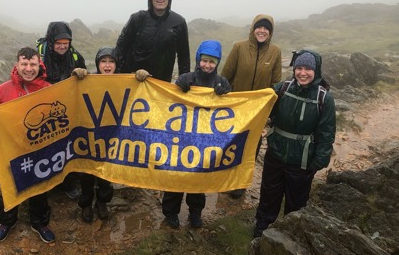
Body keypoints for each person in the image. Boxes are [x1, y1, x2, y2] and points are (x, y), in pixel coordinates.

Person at [0, 47, 56, 243]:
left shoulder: (49, 89)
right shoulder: (3, 90)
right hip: (11, 150)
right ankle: (7, 221)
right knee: (9, 186)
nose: (29, 69)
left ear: (40, 65)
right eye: (24, 64)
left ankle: (40, 222)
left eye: (33, 64)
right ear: (17, 65)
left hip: (40, 148)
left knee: (39, 187)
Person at [253, 49, 336, 238]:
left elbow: (326, 132)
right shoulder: (283, 88)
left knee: (296, 201)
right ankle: (262, 228)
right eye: (299, 68)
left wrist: (320, 160)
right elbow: (256, 102)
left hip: (303, 160)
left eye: (308, 68)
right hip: (275, 153)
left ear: (316, 71)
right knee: (269, 195)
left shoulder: (324, 98)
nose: (303, 73)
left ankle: (290, 234)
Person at [72, 47, 149, 223]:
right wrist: (75, 74)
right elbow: (69, 91)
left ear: (116, 64)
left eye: (111, 61)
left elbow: (139, 94)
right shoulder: (86, 79)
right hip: (89, 134)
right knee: (87, 172)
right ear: (98, 63)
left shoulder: (123, 80)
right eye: (103, 61)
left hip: (111, 135)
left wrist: (141, 76)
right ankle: (85, 204)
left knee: (106, 171)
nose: (107, 66)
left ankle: (102, 202)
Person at [162, 40, 231, 229]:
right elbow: (170, 100)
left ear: (217, 63)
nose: (208, 65)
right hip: (182, 137)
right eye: (205, 60)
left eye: (212, 62)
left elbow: (231, 110)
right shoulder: (187, 78)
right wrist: (179, 85)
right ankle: (170, 212)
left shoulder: (221, 82)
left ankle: (195, 212)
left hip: (205, 140)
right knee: (176, 176)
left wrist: (226, 93)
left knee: (199, 179)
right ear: (198, 59)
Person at [221, 14, 282, 199]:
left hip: (259, 112)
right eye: (259, 27)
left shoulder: (275, 51)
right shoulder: (239, 47)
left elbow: (275, 84)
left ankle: (240, 184)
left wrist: (270, 113)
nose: (262, 31)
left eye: (266, 28)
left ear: (270, 32)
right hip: (236, 109)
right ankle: (223, 178)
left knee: (252, 147)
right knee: (231, 144)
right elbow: (225, 77)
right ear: (253, 29)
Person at [37, 21, 87, 199]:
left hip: (67, 111)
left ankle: (69, 182)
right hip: (44, 112)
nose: (63, 47)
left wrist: (82, 73)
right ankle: (46, 181)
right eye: (59, 43)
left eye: (66, 44)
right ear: (51, 42)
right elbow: (27, 77)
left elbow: (85, 79)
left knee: (67, 146)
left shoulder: (74, 56)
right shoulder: (40, 56)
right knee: (47, 145)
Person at [115, 0, 190, 82]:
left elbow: (184, 57)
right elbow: (121, 48)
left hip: (162, 83)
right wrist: (119, 74)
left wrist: (184, 81)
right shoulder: (137, 19)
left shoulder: (179, 22)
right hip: (135, 81)